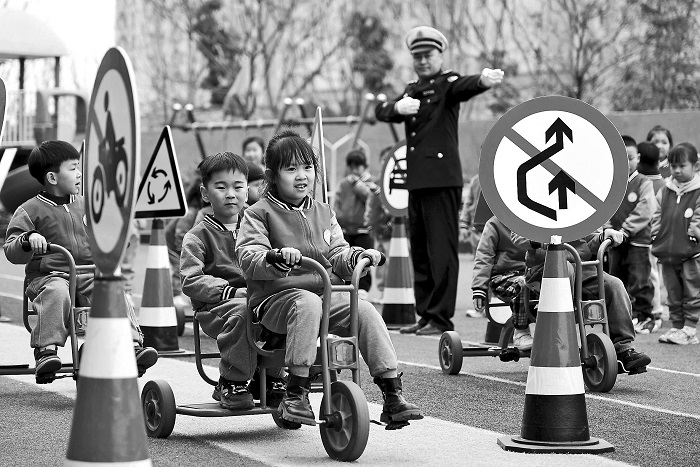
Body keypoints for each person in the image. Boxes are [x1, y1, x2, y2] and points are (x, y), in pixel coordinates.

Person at [236, 130, 422, 428]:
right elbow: (248, 256)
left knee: (363, 308)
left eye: (308, 167)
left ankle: (392, 394)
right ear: (272, 175)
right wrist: (275, 257)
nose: (302, 176)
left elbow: (338, 251)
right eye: (291, 168)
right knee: (307, 303)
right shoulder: (258, 213)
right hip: (275, 302)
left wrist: (357, 257)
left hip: (322, 296)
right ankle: (296, 393)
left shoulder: (324, 211)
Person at [375, 26, 504, 336]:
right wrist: (397, 107)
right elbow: (381, 111)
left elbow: (464, 86)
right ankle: (426, 314)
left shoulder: (447, 84)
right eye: (417, 56)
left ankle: (441, 317)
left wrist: (483, 80)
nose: (422, 61)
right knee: (420, 251)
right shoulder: (412, 89)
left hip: (441, 180)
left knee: (441, 251)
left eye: (428, 55)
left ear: (440, 55)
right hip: (417, 180)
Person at [3, 140, 158, 381]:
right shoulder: (29, 210)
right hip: (49, 277)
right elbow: (11, 248)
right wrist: (28, 239)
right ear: (52, 178)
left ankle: (132, 345)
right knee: (56, 292)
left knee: (113, 289)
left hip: (87, 273)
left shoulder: (88, 205)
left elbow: (107, 235)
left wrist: (115, 238)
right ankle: (46, 351)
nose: (79, 174)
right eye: (73, 168)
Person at [180, 152, 265, 410]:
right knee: (242, 312)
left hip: (257, 299)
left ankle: (272, 377)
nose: (230, 194)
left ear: (247, 191)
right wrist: (228, 291)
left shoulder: (260, 226)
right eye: (221, 187)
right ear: (205, 194)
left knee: (288, 307)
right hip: (216, 307)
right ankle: (232, 381)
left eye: (238, 187)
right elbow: (190, 280)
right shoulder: (197, 236)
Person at [512, 229, 652, 374]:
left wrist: (603, 236)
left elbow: (590, 241)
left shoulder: (576, 214)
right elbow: (516, 237)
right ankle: (562, 345)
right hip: (544, 268)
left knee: (614, 285)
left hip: (582, 267)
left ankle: (623, 349)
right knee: (566, 269)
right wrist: (540, 240)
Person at [604, 136, 658, 333]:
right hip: (615, 242)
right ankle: (626, 318)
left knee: (640, 280)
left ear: (638, 158)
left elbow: (646, 209)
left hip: (637, 241)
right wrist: (609, 230)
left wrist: (625, 230)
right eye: (622, 158)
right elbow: (604, 210)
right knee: (617, 280)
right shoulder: (612, 184)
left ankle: (646, 317)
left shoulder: (644, 182)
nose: (626, 162)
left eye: (630, 157)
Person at [651, 143, 700, 345]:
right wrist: (656, 235)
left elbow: (698, 219)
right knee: (673, 292)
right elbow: (656, 215)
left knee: (692, 290)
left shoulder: (698, 191)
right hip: (667, 252)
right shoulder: (665, 190)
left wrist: (694, 234)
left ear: (696, 166)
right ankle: (677, 326)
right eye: (673, 166)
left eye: (682, 166)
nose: (677, 170)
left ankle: (690, 328)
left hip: (691, 252)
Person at [471, 216, 530, 348]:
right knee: (523, 284)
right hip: (503, 276)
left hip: (533, 272)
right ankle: (521, 333)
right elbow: (484, 255)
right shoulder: (495, 223)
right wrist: (479, 288)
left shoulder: (540, 219)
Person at [333, 149, 377, 299]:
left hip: (363, 230)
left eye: (357, 167)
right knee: (346, 259)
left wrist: (359, 186)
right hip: (345, 229)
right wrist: (338, 216)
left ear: (365, 167)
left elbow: (372, 201)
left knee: (364, 259)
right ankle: (347, 288)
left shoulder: (371, 182)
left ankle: (363, 288)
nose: (354, 170)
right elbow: (337, 202)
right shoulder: (344, 183)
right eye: (351, 167)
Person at [637, 141, 667, 324]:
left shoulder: (643, 183)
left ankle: (655, 309)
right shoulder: (663, 183)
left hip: (646, 236)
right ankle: (655, 307)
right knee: (654, 273)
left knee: (650, 274)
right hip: (658, 234)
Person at [364, 146, 395, 300]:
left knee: (394, 261)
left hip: (394, 230)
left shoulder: (398, 182)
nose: (386, 162)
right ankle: (383, 292)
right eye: (384, 160)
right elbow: (370, 205)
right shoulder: (376, 182)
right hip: (378, 229)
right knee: (381, 262)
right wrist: (369, 223)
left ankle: (394, 292)